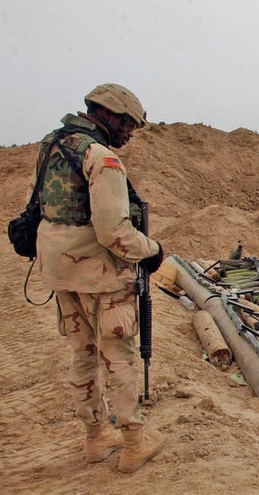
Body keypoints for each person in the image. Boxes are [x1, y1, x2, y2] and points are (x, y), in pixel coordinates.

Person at [34, 83, 166, 473]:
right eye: (127, 124)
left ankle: (95, 438)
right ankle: (133, 443)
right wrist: (152, 250)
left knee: (83, 353)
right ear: (108, 114)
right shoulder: (101, 158)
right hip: (99, 273)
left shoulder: (52, 146)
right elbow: (113, 231)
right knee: (118, 356)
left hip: (59, 269)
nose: (129, 133)